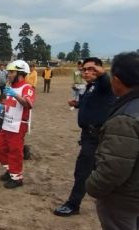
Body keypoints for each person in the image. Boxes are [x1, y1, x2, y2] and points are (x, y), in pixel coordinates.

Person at [53, 57, 116, 217]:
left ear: (100, 70)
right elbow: (91, 103)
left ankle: (73, 204)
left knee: (83, 172)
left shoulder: (105, 85)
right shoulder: (92, 86)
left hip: (97, 137)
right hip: (88, 135)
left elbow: (106, 80)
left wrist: (101, 72)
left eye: (92, 69)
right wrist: (77, 104)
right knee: (96, 171)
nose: (87, 72)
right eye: (85, 69)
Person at [85, 52, 139, 230]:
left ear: (116, 80)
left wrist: (92, 185)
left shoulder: (125, 119)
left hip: (124, 197)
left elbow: (114, 168)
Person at [0, 60, 35, 189]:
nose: (9, 74)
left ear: (20, 73)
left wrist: (15, 95)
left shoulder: (26, 87)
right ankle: (10, 170)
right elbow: (11, 104)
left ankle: (17, 177)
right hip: (7, 123)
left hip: (18, 125)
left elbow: (27, 104)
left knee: (15, 152)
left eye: (11, 72)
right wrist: (1, 106)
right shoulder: (11, 87)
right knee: (0, 148)